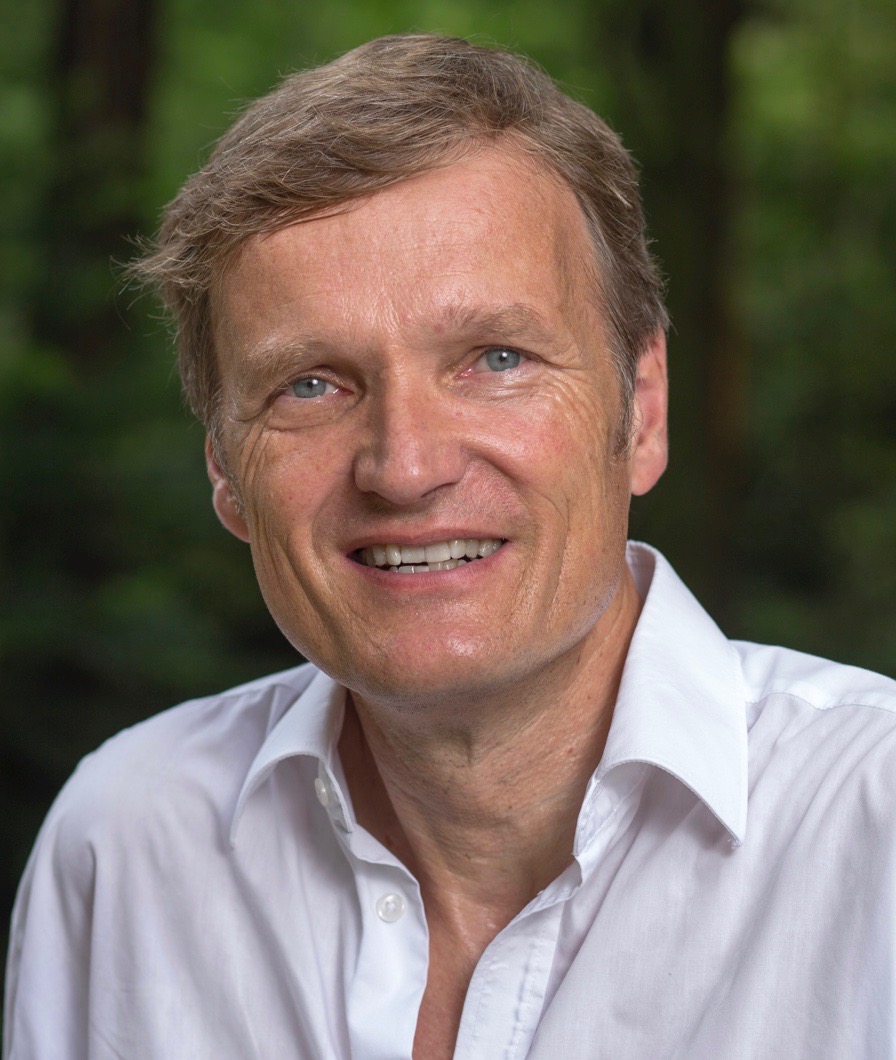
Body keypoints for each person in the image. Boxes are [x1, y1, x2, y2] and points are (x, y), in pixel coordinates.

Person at [5, 33, 896, 1060]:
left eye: (496, 359)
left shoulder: (871, 826)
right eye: (310, 385)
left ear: (641, 412)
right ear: (225, 471)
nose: (404, 465)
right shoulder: (127, 843)